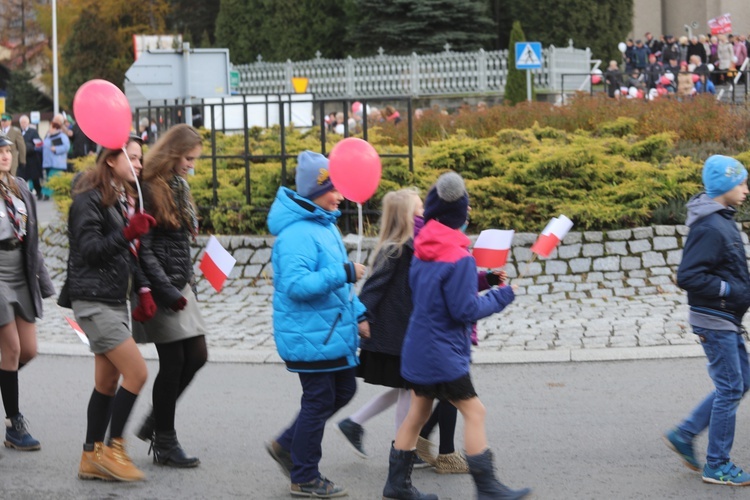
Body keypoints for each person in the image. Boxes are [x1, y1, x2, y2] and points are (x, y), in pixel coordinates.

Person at [382, 171, 530, 500]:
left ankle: (396, 486)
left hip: (418, 348)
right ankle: (488, 488)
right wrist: (502, 295)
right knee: (475, 412)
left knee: (418, 413)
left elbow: (438, 289)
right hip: (444, 354)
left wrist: (484, 279)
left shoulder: (423, 249)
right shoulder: (460, 257)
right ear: (459, 216)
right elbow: (464, 310)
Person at [265, 150, 369, 498]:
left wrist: (360, 313)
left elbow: (342, 291)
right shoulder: (298, 234)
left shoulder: (325, 226)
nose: (340, 195)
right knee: (320, 399)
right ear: (314, 190)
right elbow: (295, 287)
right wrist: (342, 273)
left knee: (344, 390)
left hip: (329, 332)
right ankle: (304, 474)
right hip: (311, 335)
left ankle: (286, 445)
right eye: (334, 188)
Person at [66, 136, 157, 482]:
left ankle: (90, 456)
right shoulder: (87, 199)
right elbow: (90, 250)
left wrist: (143, 289)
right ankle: (114, 449)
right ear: (109, 161)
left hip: (115, 300)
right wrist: (127, 233)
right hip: (93, 300)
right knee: (138, 373)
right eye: (131, 158)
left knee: (107, 382)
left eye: (139, 159)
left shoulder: (117, 199)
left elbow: (124, 253)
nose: (138, 165)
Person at [664, 155, 750, 487]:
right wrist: (729, 289)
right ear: (725, 185)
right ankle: (717, 464)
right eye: (741, 183)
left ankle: (684, 433)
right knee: (731, 388)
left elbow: (726, 266)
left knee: (741, 380)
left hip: (725, 317)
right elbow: (688, 275)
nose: (746, 189)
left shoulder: (721, 219)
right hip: (714, 321)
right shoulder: (711, 226)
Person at [132, 124, 207, 468]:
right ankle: (164, 440)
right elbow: (144, 249)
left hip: (180, 283)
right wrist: (163, 289)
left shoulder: (178, 186)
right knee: (174, 361)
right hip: (161, 287)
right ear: (174, 154)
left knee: (197, 355)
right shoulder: (149, 187)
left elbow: (179, 240)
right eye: (189, 158)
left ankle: (156, 421)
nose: (192, 164)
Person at [336, 189, 423, 459]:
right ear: (407, 216)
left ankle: (355, 422)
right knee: (408, 389)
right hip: (392, 333)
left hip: (402, 331)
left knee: (404, 388)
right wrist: (362, 317)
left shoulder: (408, 246)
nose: (423, 213)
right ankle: (402, 450)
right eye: (419, 209)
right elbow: (372, 289)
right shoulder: (395, 250)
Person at [0, 133, 54, 451]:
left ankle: (7, 388)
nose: (5, 156)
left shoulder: (21, 189)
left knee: (29, 350)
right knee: (12, 351)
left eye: (7, 151)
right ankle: (14, 424)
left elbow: (32, 242)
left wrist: (43, 283)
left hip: (20, 272)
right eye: (0, 152)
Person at [41, 114, 70, 200]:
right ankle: (57, 193)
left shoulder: (62, 136)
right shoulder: (48, 137)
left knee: (52, 178)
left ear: (55, 128)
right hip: (48, 162)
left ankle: (47, 194)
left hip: (57, 162)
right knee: (50, 178)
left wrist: (56, 149)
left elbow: (66, 147)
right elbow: (45, 146)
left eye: (51, 127)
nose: (49, 129)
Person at [18, 115, 43, 200]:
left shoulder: (33, 132)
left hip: (32, 158)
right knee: (22, 178)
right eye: (21, 123)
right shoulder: (19, 132)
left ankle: (39, 192)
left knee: (35, 177)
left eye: (24, 122)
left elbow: (39, 143)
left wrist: (31, 147)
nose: (23, 124)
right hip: (22, 158)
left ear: (28, 123)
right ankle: (24, 195)